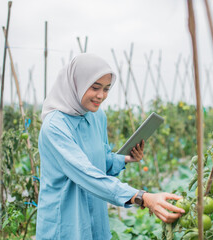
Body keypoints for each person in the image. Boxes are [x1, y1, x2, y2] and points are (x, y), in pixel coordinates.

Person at [36, 53, 185, 239]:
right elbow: (85, 173)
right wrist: (142, 197)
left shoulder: (97, 116)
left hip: (95, 215)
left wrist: (125, 158)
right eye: (95, 87)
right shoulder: (55, 126)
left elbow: (102, 161)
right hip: (66, 219)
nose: (101, 96)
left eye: (106, 89)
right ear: (76, 83)